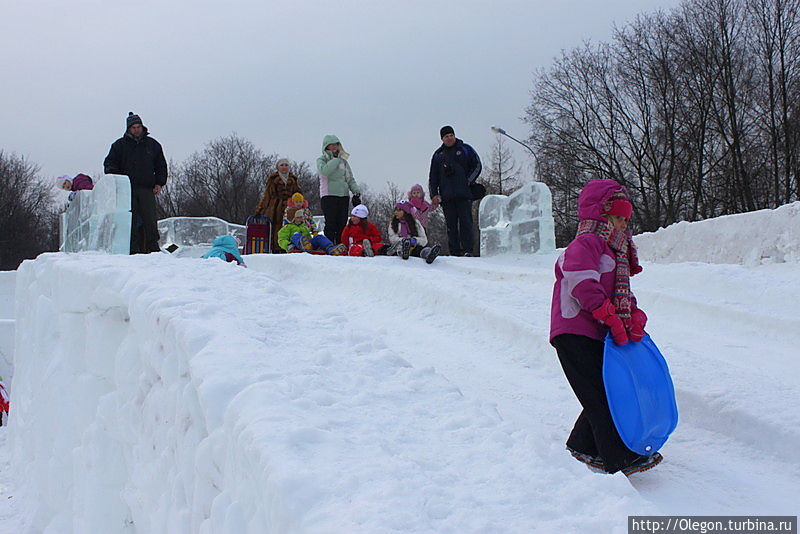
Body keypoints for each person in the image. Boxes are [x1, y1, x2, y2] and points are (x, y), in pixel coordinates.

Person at [549, 179, 659, 477]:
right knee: (601, 397)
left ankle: (583, 445)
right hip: (573, 332)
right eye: (618, 217)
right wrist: (605, 312)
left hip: (596, 332)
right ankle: (619, 458)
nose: (623, 224)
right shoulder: (586, 243)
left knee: (606, 391)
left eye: (626, 219)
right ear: (601, 214)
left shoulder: (614, 251)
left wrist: (632, 315)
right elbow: (581, 280)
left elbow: (619, 291)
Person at [103, 112, 168, 254]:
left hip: (147, 188)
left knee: (150, 219)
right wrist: (120, 180)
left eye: (138, 126)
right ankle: (133, 248)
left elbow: (161, 165)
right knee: (130, 220)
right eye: (133, 127)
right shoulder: (119, 146)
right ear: (128, 129)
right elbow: (109, 165)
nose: (136, 130)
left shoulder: (153, 145)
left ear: (142, 127)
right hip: (127, 190)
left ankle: (153, 247)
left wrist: (159, 183)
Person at [428, 125, 481, 256]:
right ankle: (454, 252)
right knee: (451, 226)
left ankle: (468, 250)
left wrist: (468, 180)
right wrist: (434, 194)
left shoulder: (465, 149)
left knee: (466, 223)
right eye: (446, 136)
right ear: (442, 139)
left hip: (464, 194)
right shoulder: (437, 155)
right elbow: (433, 176)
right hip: (447, 196)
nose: (449, 138)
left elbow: (477, 165)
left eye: (451, 135)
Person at [317, 134, 361, 244]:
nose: (334, 147)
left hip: (343, 195)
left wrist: (356, 190)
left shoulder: (343, 162)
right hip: (328, 195)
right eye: (331, 145)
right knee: (331, 222)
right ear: (326, 146)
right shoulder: (322, 160)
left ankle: (341, 245)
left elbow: (349, 178)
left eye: (336, 144)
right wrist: (335, 160)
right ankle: (329, 245)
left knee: (342, 223)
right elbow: (325, 171)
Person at [254, 158, 302, 253]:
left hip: (290, 208)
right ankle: (276, 248)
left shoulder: (293, 179)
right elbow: (267, 195)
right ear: (278, 167)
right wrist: (260, 209)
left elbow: (298, 195)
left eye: (286, 165)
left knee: (290, 227)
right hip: (275, 208)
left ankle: (289, 247)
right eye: (282, 165)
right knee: (275, 229)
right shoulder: (272, 179)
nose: (284, 167)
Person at [278, 207, 345, 255]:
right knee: (296, 235)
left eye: (301, 217)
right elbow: (281, 240)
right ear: (292, 219)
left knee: (319, 237)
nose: (300, 219)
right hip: (295, 246)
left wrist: (315, 238)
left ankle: (331, 249)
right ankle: (302, 245)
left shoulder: (304, 227)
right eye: (298, 217)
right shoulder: (286, 228)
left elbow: (309, 237)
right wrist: (289, 245)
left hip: (309, 245)